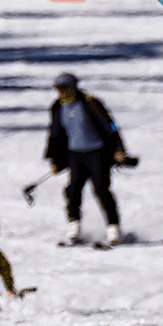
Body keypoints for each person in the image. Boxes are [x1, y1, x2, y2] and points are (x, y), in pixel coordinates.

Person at [43, 72, 130, 245]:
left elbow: (111, 125)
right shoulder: (58, 107)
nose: (61, 92)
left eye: (64, 89)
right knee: (72, 190)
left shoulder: (91, 103)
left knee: (101, 189)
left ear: (74, 88)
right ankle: (73, 225)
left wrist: (118, 149)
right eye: (58, 89)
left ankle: (113, 228)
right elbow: (55, 134)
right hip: (75, 154)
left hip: (97, 153)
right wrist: (55, 159)